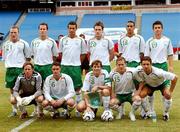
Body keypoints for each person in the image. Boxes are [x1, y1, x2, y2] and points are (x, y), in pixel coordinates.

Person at [145, 20, 174, 116]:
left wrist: (171, 66)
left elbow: (170, 55)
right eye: (155, 28)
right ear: (153, 29)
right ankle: (151, 110)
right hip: (152, 67)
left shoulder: (167, 40)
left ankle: (166, 112)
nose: (157, 29)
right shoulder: (149, 41)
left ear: (162, 29)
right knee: (150, 91)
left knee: (165, 91)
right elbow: (147, 57)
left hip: (163, 67)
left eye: (159, 28)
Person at [135, 56, 178, 121]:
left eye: (147, 64)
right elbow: (128, 70)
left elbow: (175, 77)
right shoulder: (138, 70)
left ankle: (166, 113)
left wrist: (171, 91)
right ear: (141, 65)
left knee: (168, 95)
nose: (146, 66)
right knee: (142, 94)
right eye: (144, 64)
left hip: (162, 84)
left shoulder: (158, 72)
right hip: (150, 85)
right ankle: (147, 112)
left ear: (151, 64)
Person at [118, 20, 146, 117]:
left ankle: (143, 111)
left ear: (134, 28)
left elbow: (142, 53)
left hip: (135, 65)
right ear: (126, 28)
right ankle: (121, 111)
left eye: (131, 26)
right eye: (128, 26)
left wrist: (140, 65)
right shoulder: (121, 39)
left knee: (138, 87)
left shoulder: (140, 38)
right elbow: (120, 54)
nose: (129, 28)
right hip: (125, 65)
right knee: (123, 86)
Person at [2, 26, 31, 117]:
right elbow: (4, 58)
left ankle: (23, 109)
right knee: (12, 91)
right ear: (9, 33)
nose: (13, 34)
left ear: (18, 33)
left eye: (15, 32)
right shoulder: (5, 44)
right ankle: (14, 110)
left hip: (20, 69)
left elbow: (28, 57)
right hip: (10, 70)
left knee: (21, 91)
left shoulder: (24, 43)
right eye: (11, 32)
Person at [59, 21, 87, 116]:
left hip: (75, 67)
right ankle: (66, 109)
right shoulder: (63, 40)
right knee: (65, 88)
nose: (71, 30)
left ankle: (78, 110)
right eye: (70, 28)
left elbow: (83, 54)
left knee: (77, 88)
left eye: (73, 28)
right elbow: (61, 54)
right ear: (68, 29)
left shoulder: (80, 40)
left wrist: (77, 62)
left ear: (76, 29)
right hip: (65, 67)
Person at [109, 57, 141, 121]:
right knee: (111, 103)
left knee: (138, 99)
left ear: (125, 64)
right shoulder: (112, 74)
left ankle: (131, 113)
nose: (121, 66)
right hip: (118, 95)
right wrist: (112, 94)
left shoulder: (132, 71)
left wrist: (137, 92)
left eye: (122, 64)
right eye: (119, 65)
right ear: (116, 65)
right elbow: (109, 85)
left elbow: (141, 81)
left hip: (130, 94)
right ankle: (120, 112)